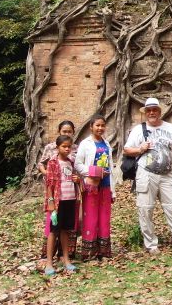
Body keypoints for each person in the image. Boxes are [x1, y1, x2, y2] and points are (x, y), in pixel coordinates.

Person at [123, 97, 172, 254]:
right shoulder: (138, 130)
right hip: (146, 174)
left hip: (167, 174)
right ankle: (151, 244)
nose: (151, 113)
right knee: (146, 209)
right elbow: (127, 149)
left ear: (159, 111)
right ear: (145, 113)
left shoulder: (170, 128)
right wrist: (140, 149)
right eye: (148, 110)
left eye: (154, 110)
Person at [74, 114, 115, 260]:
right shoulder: (85, 144)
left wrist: (113, 190)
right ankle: (89, 253)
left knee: (104, 218)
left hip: (105, 185)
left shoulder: (107, 143)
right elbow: (78, 164)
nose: (100, 128)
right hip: (91, 185)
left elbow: (110, 166)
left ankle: (103, 252)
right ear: (91, 127)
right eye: (97, 125)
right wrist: (93, 172)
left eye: (103, 125)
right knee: (91, 218)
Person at [38, 120, 78, 259]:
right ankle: (49, 258)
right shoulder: (51, 151)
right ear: (59, 132)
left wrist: (77, 179)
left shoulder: (74, 150)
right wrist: (47, 173)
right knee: (53, 226)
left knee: (66, 227)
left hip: (70, 195)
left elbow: (76, 169)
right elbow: (41, 164)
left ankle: (66, 255)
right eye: (64, 131)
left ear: (73, 132)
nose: (67, 133)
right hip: (55, 194)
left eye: (69, 131)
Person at [44, 135, 80, 276]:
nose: (67, 149)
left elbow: (75, 178)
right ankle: (49, 263)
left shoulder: (71, 162)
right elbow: (49, 184)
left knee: (65, 230)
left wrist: (77, 180)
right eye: (64, 146)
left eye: (69, 146)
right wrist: (51, 201)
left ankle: (66, 260)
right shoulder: (53, 162)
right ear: (57, 147)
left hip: (70, 199)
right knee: (53, 231)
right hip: (58, 202)